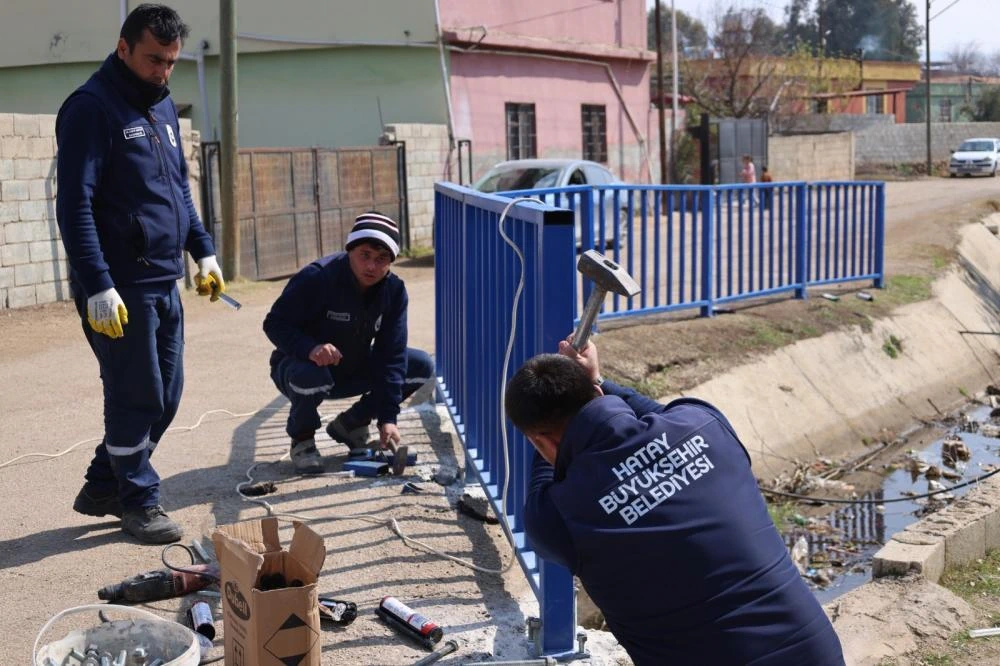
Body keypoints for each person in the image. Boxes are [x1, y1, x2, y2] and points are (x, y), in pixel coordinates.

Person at [504, 340, 845, 665]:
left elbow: (544, 488)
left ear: (541, 441)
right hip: (816, 655)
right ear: (596, 393)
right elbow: (659, 413)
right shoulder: (705, 424)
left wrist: (549, 441)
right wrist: (599, 381)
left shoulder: (558, 518)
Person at [56, 4, 225, 544]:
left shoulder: (162, 106)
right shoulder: (90, 108)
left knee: (167, 396)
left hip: (162, 279)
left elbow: (177, 187)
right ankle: (139, 501)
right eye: (154, 59)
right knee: (137, 396)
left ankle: (104, 485)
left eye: (172, 62)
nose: (162, 71)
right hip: (117, 286)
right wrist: (97, 283)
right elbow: (75, 205)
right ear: (123, 47)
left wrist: (203, 250)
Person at [263, 212, 434, 474]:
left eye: (381, 259)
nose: (371, 267)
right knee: (311, 374)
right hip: (301, 368)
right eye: (365, 255)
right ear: (350, 250)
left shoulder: (394, 291)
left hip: (353, 366)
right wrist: (311, 348)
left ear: (391, 261)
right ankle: (302, 438)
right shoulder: (317, 277)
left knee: (421, 365)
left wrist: (388, 418)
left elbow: (392, 354)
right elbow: (274, 323)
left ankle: (353, 424)